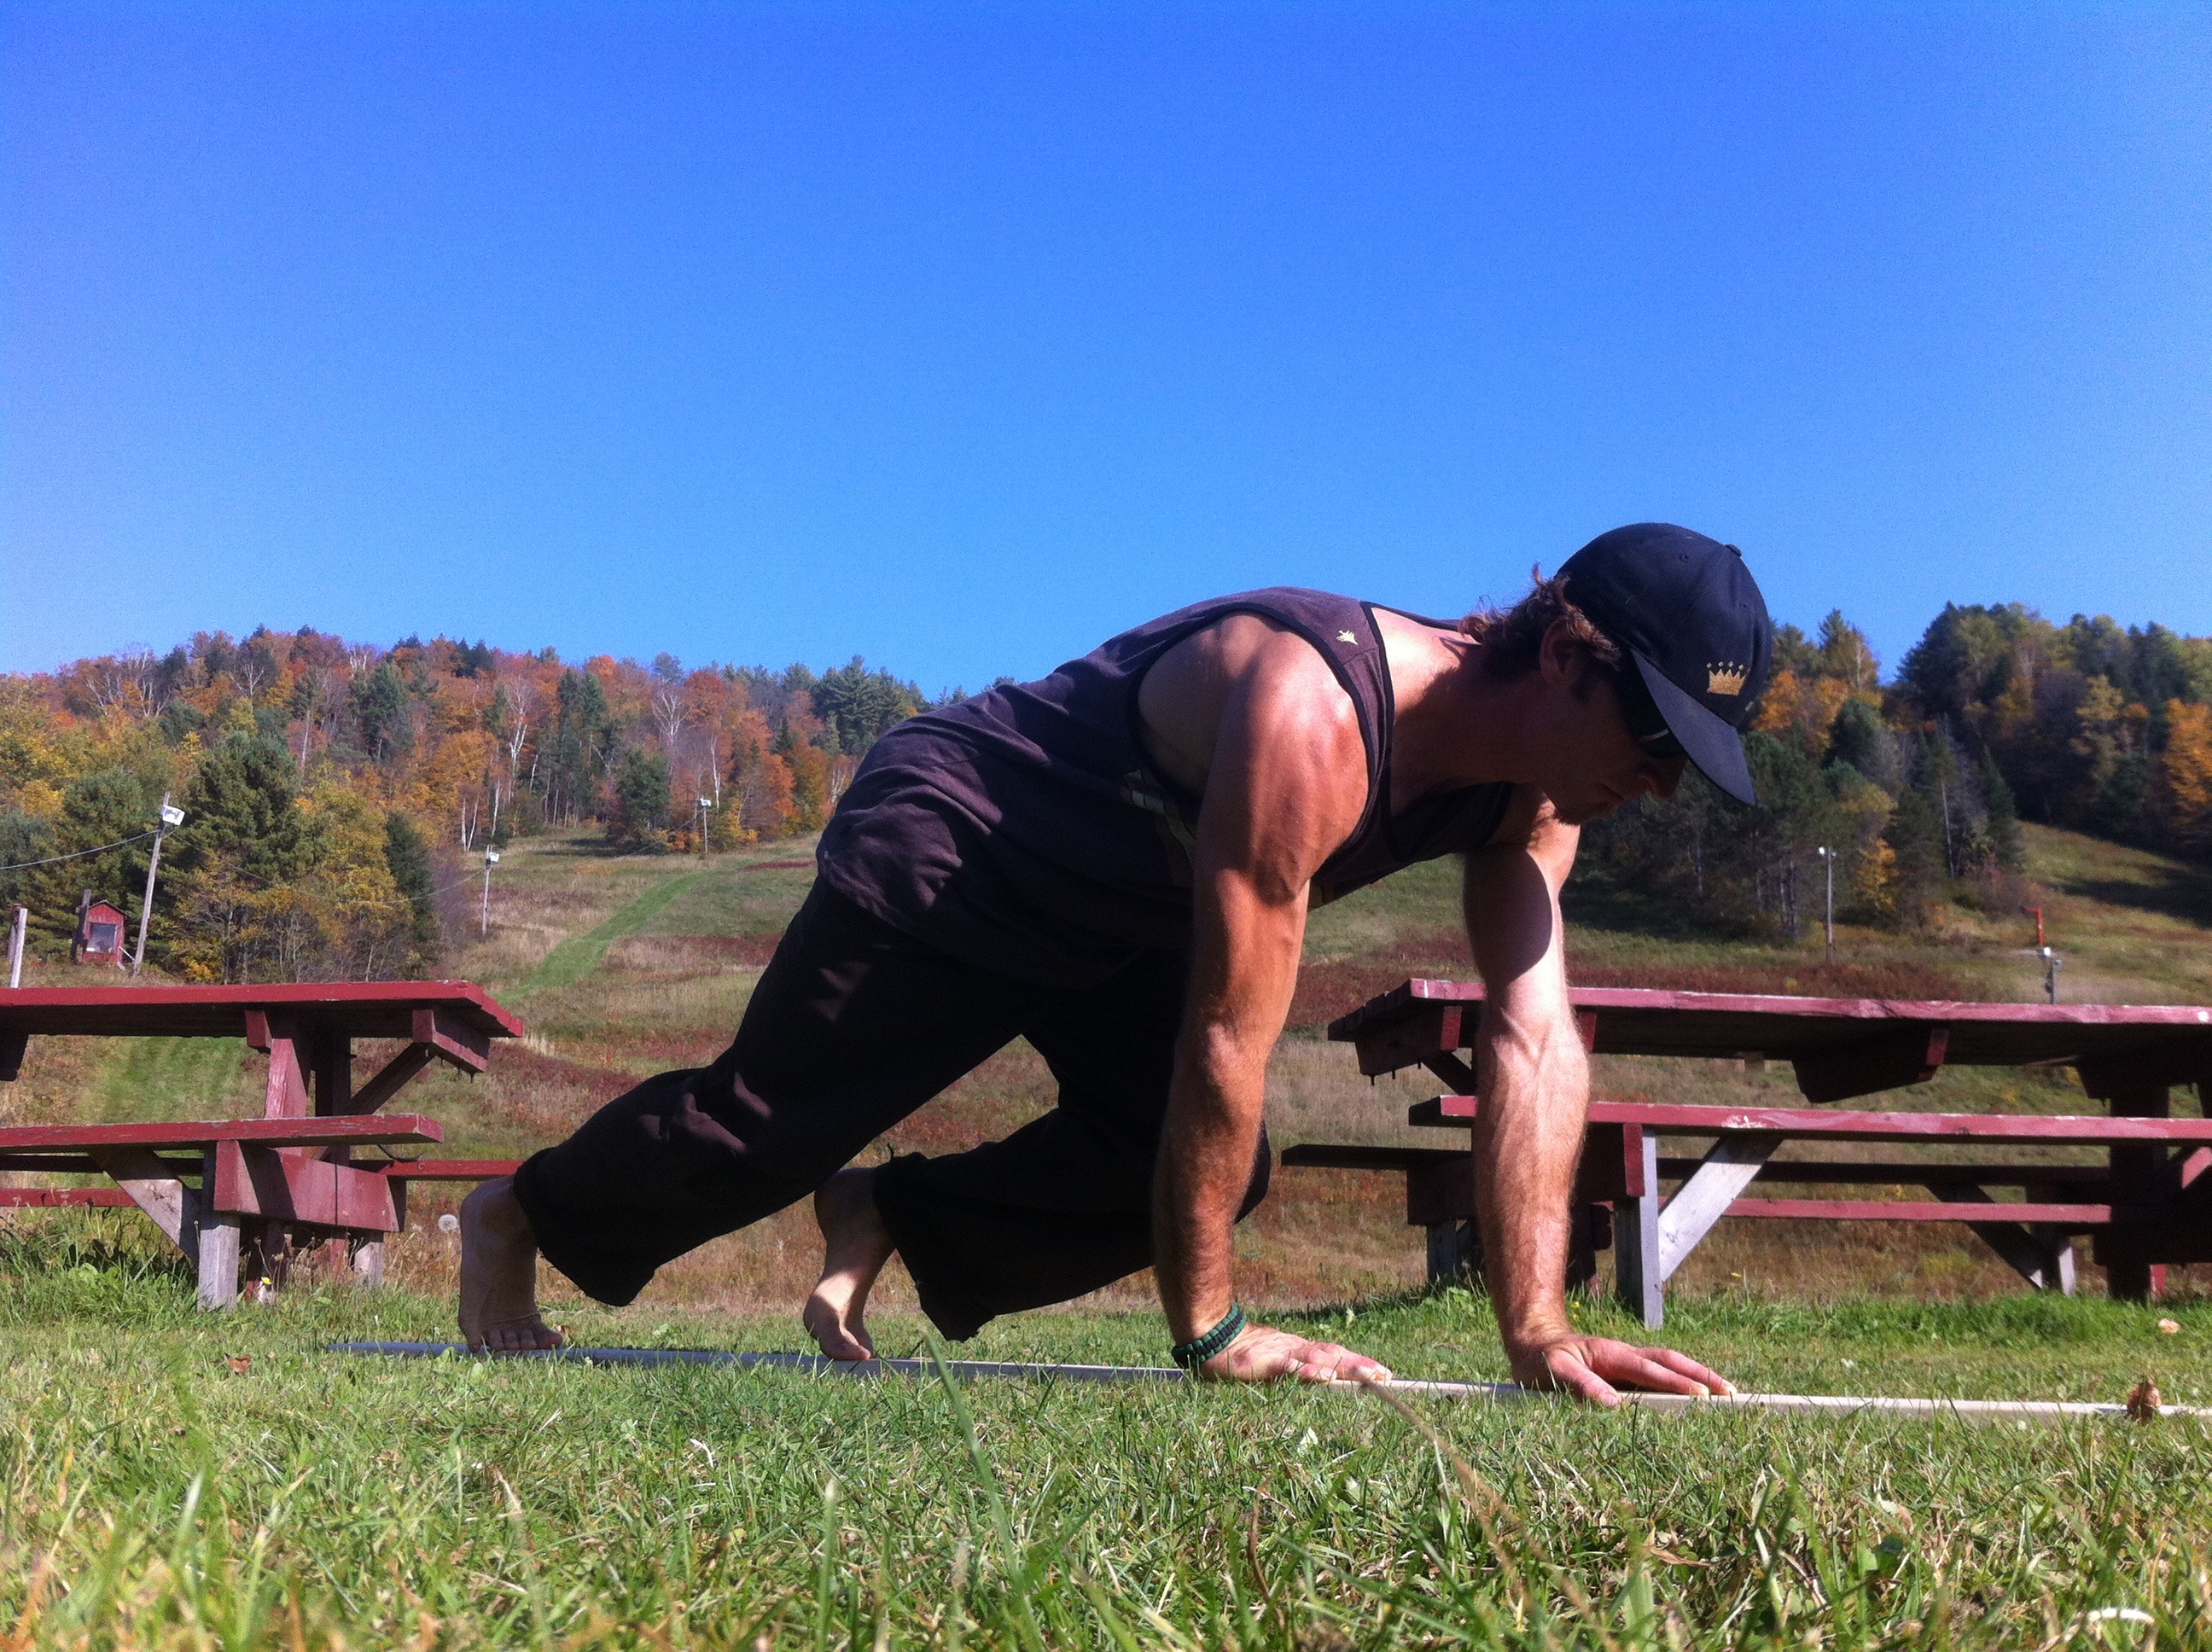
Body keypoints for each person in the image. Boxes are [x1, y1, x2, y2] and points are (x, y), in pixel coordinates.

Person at [460, 522, 1772, 1402]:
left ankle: (891, 1215)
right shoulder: (1319, 709)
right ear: (1564, 656)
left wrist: (1537, 1329)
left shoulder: (1540, 805)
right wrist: (1213, 1333)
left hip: (1127, 910)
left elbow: (1533, 1039)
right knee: (767, 1125)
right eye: (1656, 742)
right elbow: (1228, 1033)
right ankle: (518, 1213)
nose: (1659, 788)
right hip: (967, 840)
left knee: (1199, 1161)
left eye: (1689, 765)